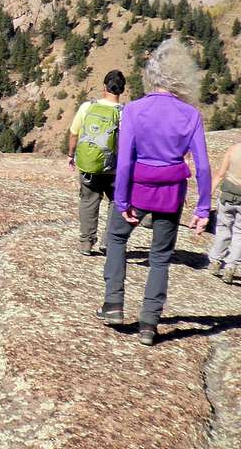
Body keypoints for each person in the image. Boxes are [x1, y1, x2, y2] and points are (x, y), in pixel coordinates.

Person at [97, 38, 211, 346]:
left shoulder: (134, 109)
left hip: (138, 189)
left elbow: (124, 162)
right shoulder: (191, 115)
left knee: (117, 238)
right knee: (160, 257)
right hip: (171, 193)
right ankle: (149, 323)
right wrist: (202, 210)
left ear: (151, 75)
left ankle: (113, 304)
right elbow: (202, 166)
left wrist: (121, 200)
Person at [68, 70, 126, 256]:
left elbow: (74, 133)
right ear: (122, 90)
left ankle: (86, 243)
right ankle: (108, 242)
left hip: (89, 164)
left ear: (104, 87)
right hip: (114, 168)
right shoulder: (125, 113)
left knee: (88, 201)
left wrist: (71, 154)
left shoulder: (87, 107)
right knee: (116, 201)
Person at [208, 141, 241, 284]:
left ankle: (216, 261)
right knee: (239, 234)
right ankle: (231, 266)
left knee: (223, 228)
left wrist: (207, 195)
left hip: (227, 196)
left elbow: (220, 174)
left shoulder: (234, 149)